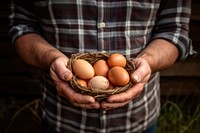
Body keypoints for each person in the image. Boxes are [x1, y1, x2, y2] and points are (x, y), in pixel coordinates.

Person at [9, 0, 194, 132]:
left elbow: (174, 30)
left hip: (138, 117)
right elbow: (22, 27)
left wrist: (148, 61)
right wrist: (51, 58)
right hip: (62, 118)